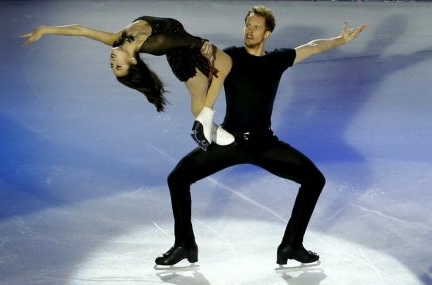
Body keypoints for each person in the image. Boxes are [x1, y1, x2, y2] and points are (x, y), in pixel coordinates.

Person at [155, 6, 367, 267]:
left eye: (256, 27)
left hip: (263, 144)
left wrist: (340, 40)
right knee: (177, 179)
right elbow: (206, 52)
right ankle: (185, 244)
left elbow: (312, 47)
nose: (249, 31)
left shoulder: (276, 60)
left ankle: (292, 244)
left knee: (314, 180)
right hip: (229, 141)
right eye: (247, 26)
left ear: (267, 33)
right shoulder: (230, 57)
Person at [21, 16, 234, 148]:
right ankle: (207, 119)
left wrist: (45, 30)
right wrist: (201, 44)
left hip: (178, 48)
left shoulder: (115, 40)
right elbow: (179, 40)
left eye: (112, 66)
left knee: (202, 95)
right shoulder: (155, 44)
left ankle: (206, 121)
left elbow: (80, 30)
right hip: (182, 45)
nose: (112, 62)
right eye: (119, 66)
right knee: (225, 65)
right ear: (133, 61)